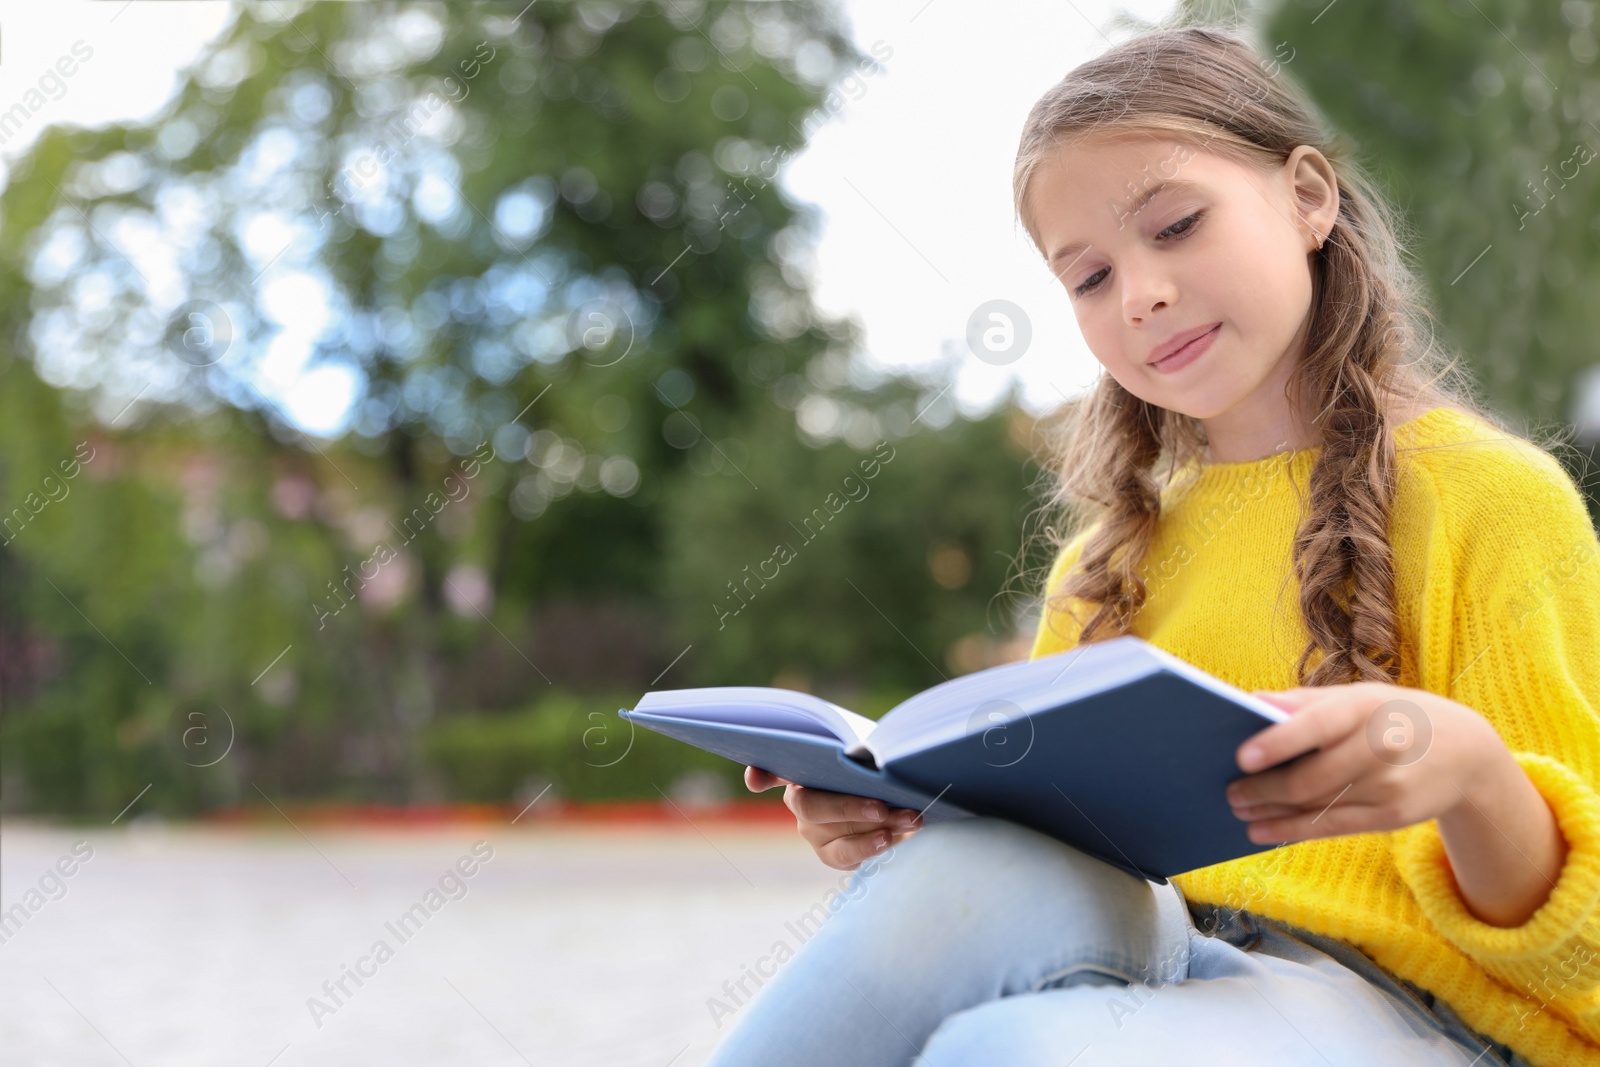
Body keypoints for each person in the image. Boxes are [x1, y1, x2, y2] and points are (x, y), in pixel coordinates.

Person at [701, 22, 1600, 1067]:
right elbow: (1040, 858)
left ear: (1307, 196)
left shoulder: (1489, 500)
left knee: (1009, 1049)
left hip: (1418, 1016)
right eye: (1087, 277)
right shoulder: (1103, 562)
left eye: (1175, 225)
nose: (1140, 295)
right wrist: (899, 816)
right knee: (946, 882)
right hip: (1163, 959)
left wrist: (1470, 774)